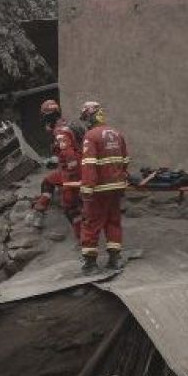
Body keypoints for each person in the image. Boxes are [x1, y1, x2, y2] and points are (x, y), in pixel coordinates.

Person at [77, 101, 129, 274]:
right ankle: (115, 259)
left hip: (99, 189)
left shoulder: (90, 136)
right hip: (116, 187)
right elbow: (125, 161)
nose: (85, 122)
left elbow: (89, 164)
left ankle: (90, 264)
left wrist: (87, 189)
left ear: (90, 117)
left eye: (85, 117)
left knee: (91, 223)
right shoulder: (117, 133)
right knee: (113, 221)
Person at [30, 99, 83, 239]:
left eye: (45, 117)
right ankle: (39, 211)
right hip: (76, 167)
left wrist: (71, 178)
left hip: (72, 172)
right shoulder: (67, 125)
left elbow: (69, 154)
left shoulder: (60, 131)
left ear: (49, 117)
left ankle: (83, 240)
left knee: (70, 207)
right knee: (47, 181)